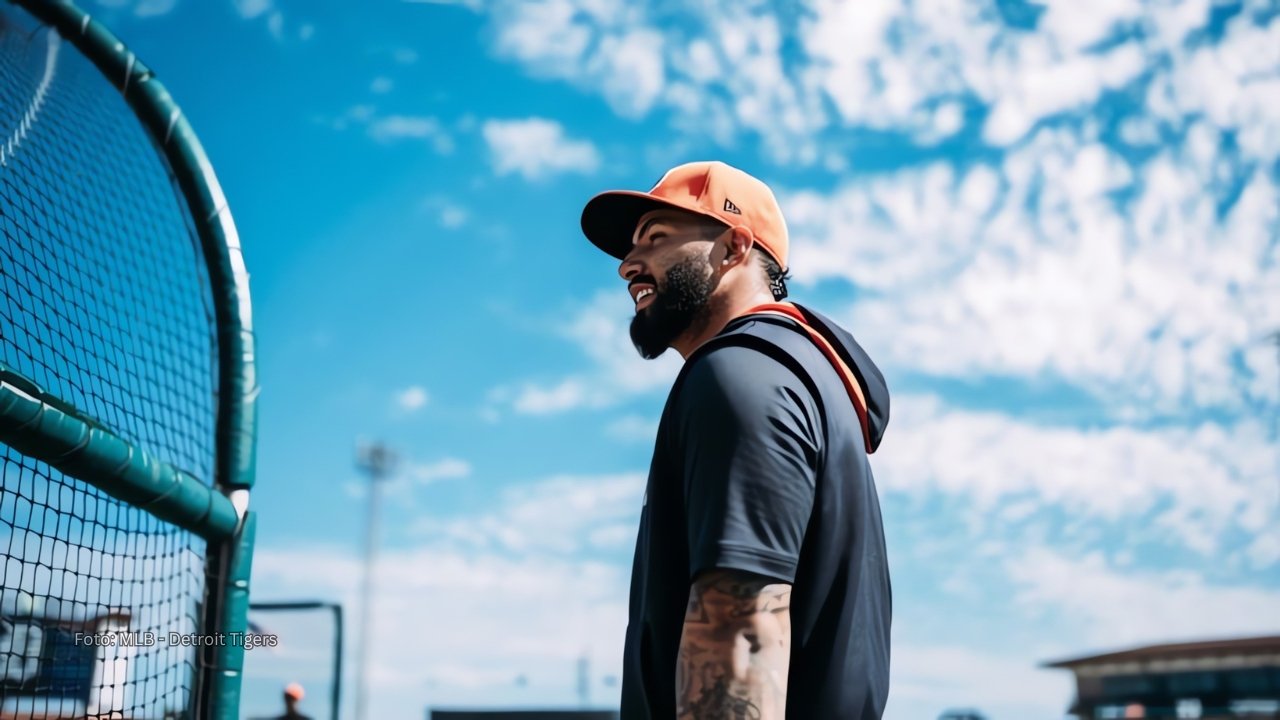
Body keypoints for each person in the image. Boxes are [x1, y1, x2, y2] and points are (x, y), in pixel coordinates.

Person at [580, 161, 893, 719]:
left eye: (656, 239)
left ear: (733, 248)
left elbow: (743, 634)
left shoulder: (738, 376)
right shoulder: (797, 378)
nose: (628, 265)